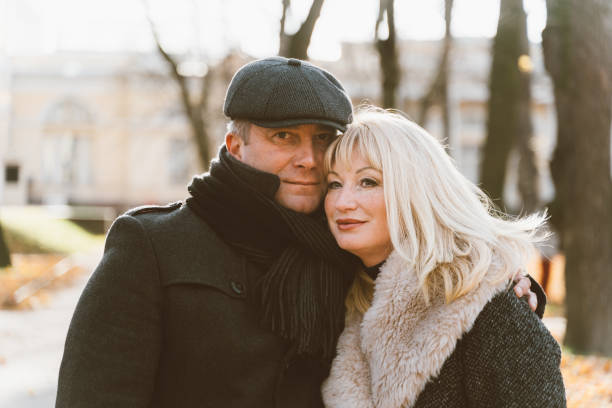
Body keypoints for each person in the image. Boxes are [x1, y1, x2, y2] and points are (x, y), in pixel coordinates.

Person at [56, 58, 542, 408]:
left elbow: (432, 270)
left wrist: (505, 281)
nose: (308, 158)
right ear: (235, 145)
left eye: (323, 139)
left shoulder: (346, 249)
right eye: (283, 136)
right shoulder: (155, 246)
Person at [321, 107, 565, 408]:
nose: (343, 202)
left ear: (417, 190)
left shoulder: (484, 304)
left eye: (368, 182)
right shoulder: (343, 302)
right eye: (334, 183)